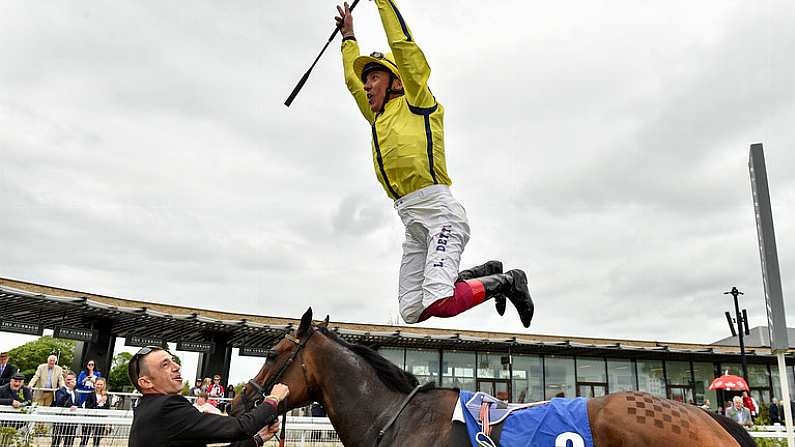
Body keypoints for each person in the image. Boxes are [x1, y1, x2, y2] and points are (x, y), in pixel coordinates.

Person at [335, 0, 535, 328]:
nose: (367, 85)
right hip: (412, 222)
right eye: (366, 80)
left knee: (440, 301)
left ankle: (510, 280)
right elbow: (349, 80)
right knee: (412, 310)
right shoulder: (377, 117)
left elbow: (404, 47)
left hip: (440, 213)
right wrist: (348, 36)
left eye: (373, 77)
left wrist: (381, 2)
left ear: (397, 81)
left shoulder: (418, 101)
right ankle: (485, 273)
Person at [127, 346, 286, 446]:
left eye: (173, 361)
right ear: (146, 382)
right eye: (165, 364)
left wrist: (257, 440)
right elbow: (240, 427)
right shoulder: (167, 407)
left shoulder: (145, 408)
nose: (176, 367)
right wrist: (273, 400)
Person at [51, 372, 80, 447]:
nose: (69, 381)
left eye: (71, 380)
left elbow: (79, 405)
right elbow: (60, 401)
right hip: (60, 421)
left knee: (69, 443)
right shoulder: (60, 391)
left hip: (72, 422)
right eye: (68, 379)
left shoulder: (77, 393)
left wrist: (77, 407)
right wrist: (69, 391)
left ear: (75, 380)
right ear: (64, 380)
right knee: (56, 442)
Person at [80, 377, 110, 447]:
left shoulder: (106, 395)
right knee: (85, 437)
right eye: (98, 384)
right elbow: (88, 406)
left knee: (97, 439)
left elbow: (107, 407)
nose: (99, 386)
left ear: (104, 385)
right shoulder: (91, 394)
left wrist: (102, 405)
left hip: (100, 419)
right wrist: (98, 402)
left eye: (101, 384)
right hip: (90, 418)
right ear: (95, 384)